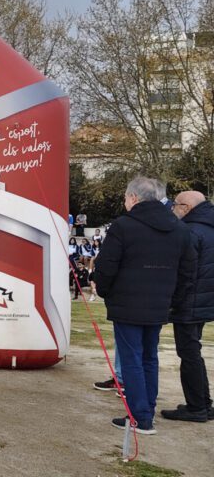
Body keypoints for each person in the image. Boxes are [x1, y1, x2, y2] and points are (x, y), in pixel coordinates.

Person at [91, 177, 195, 435]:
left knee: (133, 360)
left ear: (134, 198)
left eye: (126, 197)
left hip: (129, 304)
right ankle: (145, 410)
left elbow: (106, 265)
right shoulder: (180, 228)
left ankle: (140, 416)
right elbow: (188, 272)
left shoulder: (123, 226)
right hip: (158, 304)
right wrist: (173, 301)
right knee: (148, 357)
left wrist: (104, 290)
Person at [162, 191, 214, 422]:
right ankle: (203, 403)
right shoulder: (208, 228)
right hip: (204, 300)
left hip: (190, 302)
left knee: (189, 354)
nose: (172, 209)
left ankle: (196, 407)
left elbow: (186, 273)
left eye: (175, 205)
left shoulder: (191, 231)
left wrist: (173, 303)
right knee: (194, 352)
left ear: (186, 207)